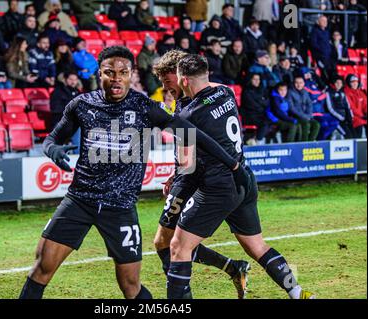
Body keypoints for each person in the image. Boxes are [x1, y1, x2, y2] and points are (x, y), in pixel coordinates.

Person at [18, 46, 251, 299]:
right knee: (41, 268)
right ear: (100, 74)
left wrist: (233, 164)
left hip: (120, 208)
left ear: (131, 74)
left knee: (130, 286)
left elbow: (193, 134)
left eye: (123, 72)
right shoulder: (82, 105)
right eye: (109, 72)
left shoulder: (144, 107)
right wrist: (51, 149)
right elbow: (52, 138)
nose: (116, 78)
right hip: (79, 201)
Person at [166, 55, 314, 299]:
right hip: (244, 179)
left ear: (182, 80)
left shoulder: (187, 116)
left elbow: (185, 163)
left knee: (178, 247)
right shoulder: (225, 92)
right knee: (257, 246)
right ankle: (298, 293)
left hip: (217, 187)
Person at [153, 50, 252, 299]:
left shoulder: (190, 105)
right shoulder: (192, 99)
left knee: (172, 244)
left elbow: (189, 154)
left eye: (168, 82)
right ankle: (233, 267)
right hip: (190, 175)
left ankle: (180, 295)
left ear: (181, 76)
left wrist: (178, 175)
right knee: (165, 242)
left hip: (195, 178)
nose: (166, 88)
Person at [287, 76, 321, 141]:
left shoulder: (305, 92)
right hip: (295, 117)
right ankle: (304, 144)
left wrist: (309, 115)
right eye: (296, 83)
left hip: (306, 116)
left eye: (300, 83)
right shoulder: (290, 92)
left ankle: (310, 143)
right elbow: (291, 108)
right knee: (306, 124)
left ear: (303, 84)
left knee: (316, 124)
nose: (299, 85)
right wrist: (304, 116)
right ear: (293, 83)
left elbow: (309, 104)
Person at [241, 73, 270, 145]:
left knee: (271, 121)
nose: (257, 81)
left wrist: (260, 101)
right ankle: (258, 141)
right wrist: (261, 101)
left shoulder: (262, 89)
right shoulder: (246, 91)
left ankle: (256, 139)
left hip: (260, 114)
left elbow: (267, 102)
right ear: (250, 80)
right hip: (249, 115)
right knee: (264, 122)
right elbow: (251, 105)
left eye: (258, 79)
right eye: (255, 79)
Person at [310, 16, 335, 82]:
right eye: (323, 21)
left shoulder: (327, 31)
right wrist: (321, 51)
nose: (325, 22)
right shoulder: (315, 31)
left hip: (329, 57)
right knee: (323, 73)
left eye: (326, 21)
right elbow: (314, 44)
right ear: (318, 22)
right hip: (320, 56)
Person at [344, 74, 367, 138]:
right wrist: (362, 116)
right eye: (352, 82)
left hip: (362, 117)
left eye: (356, 82)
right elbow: (351, 107)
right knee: (359, 124)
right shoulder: (346, 93)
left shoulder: (361, 92)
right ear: (349, 83)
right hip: (353, 117)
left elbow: (365, 105)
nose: (355, 84)